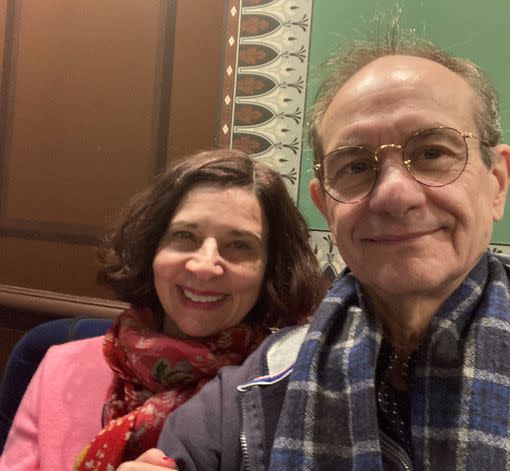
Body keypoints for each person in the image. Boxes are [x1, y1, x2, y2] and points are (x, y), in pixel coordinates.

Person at [120, 17, 510, 471]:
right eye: (357, 166)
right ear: (326, 205)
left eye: (431, 152)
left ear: (497, 182)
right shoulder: (254, 391)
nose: (394, 194)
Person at [0, 149, 325, 470]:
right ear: (151, 248)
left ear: (271, 269)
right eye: (185, 236)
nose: (204, 265)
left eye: (239, 245)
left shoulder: (289, 391)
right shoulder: (59, 367)